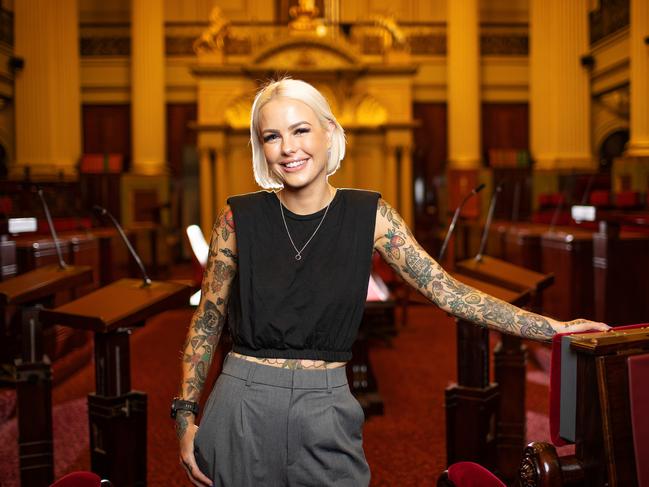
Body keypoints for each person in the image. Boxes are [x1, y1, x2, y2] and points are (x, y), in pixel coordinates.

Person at [173, 78, 609, 487]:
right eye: (272, 137)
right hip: (241, 403)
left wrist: (552, 329)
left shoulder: (371, 215)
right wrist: (185, 416)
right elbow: (208, 322)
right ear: (261, 148)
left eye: (300, 130)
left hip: (326, 403)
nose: (288, 148)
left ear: (329, 131)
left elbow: (447, 292)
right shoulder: (237, 217)